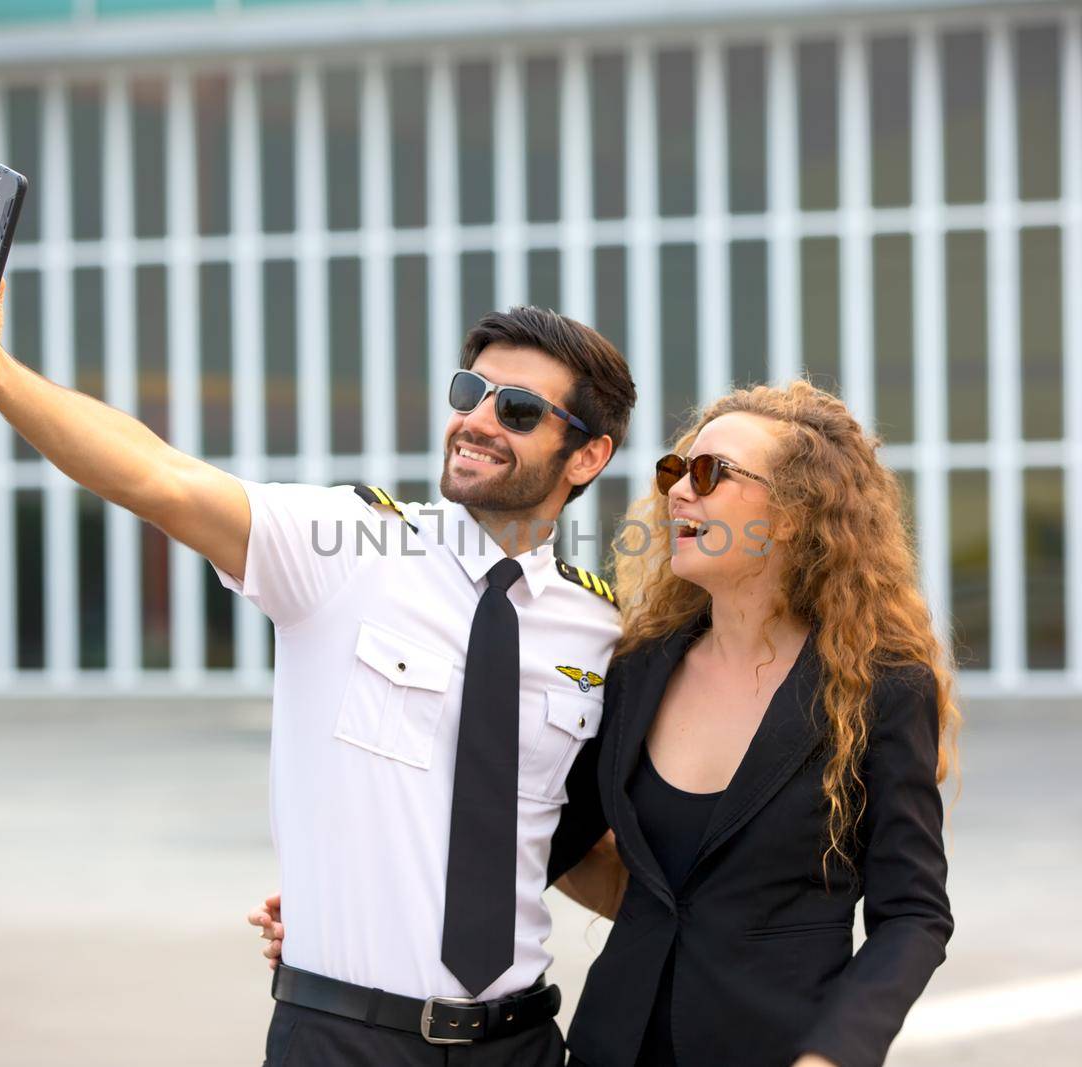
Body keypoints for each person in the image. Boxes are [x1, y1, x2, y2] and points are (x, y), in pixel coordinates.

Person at [0, 248, 636, 1066]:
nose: (475, 419)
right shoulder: (347, 547)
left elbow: (573, 840)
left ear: (587, 456)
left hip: (522, 1043)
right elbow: (157, 477)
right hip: (342, 1040)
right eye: (468, 392)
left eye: (515, 409)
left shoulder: (600, 628)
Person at [258, 379, 958, 1067]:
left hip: (779, 1046)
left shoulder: (882, 690)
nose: (679, 489)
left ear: (798, 514)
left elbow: (914, 915)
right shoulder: (638, 668)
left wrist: (835, 1054)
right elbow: (536, 841)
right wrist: (355, 906)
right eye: (675, 469)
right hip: (610, 1044)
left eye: (712, 473)